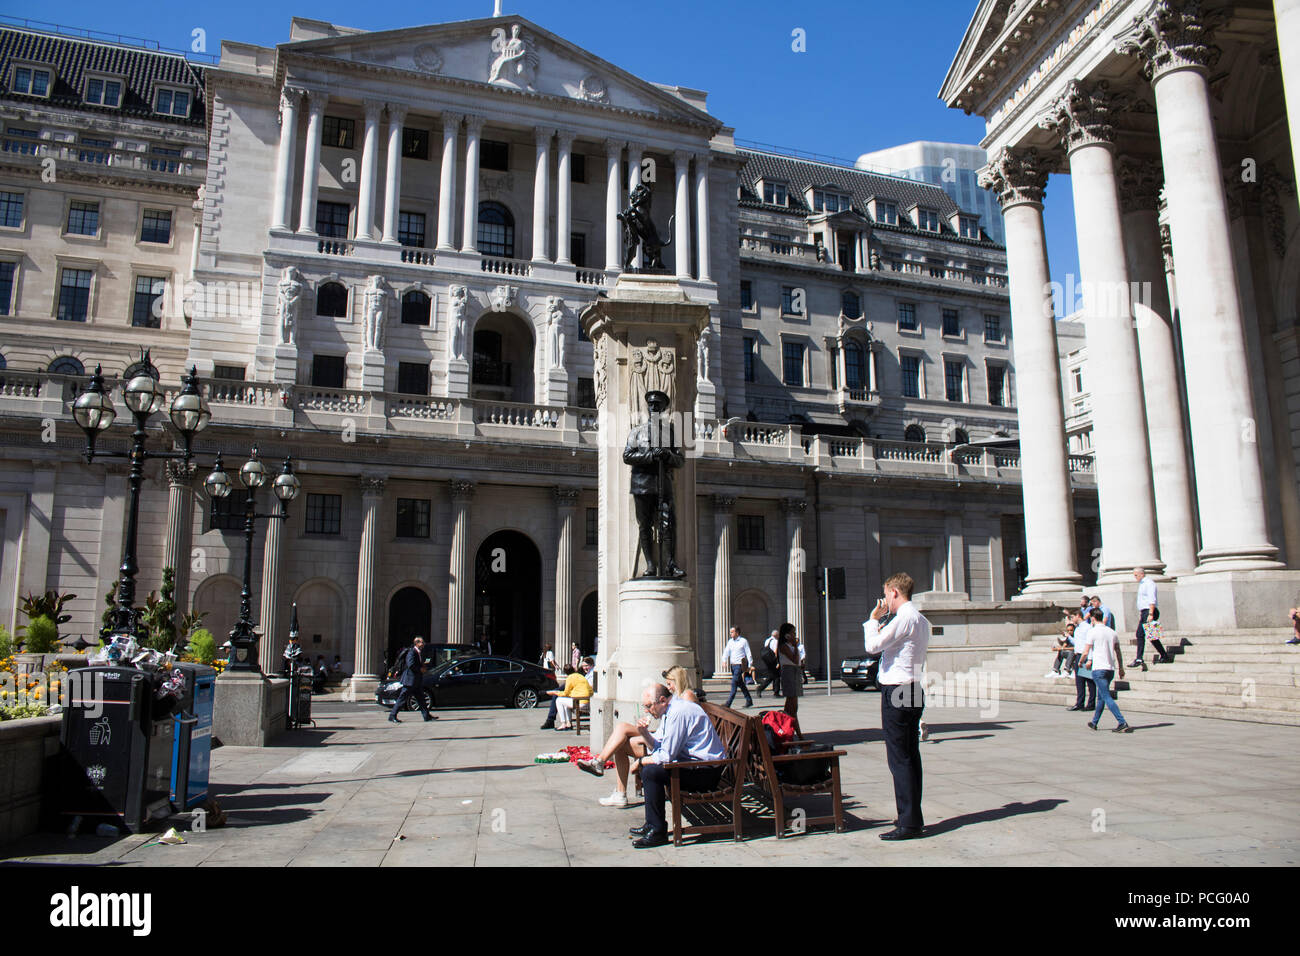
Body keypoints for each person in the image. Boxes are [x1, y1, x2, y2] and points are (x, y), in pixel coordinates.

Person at [581, 683, 725, 848]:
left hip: (706, 772)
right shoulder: (670, 711)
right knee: (651, 769)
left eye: (649, 706)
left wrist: (641, 761)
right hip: (695, 765)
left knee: (652, 771)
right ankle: (652, 824)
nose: (647, 710)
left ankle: (657, 831)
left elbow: (667, 756)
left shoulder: (678, 713)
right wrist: (644, 733)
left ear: (662, 700)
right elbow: (660, 746)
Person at [864, 572, 931, 840]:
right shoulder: (920, 619)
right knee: (910, 754)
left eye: (886, 594)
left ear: (893, 591)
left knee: (899, 757)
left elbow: (872, 646)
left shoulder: (904, 617)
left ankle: (909, 822)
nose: (885, 601)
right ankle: (911, 814)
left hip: (898, 690)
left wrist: (873, 620)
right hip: (913, 686)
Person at [1078, 607, 1131, 732]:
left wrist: (1081, 662)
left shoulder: (1092, 632)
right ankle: (1094, 722)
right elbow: (1118, 651)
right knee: (1101, 696)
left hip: (1099, 668)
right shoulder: (1112, 632)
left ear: (1093, 618)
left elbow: (1086, 651)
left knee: (1106, 696)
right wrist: (1121, 667)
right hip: (1110, 668)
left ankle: (1122, 721)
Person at [540, 656, 594, 729]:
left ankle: (562, 723)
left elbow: (589, 688)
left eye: (586, 666)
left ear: (592, 665)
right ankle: (568, 723)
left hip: (582, 699)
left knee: (558, 699)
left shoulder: (592, 674)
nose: (584, 668)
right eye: (583, 666)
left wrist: (556, 693)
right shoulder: (584, 674)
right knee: (560, 695)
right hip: (581, 697)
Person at [389, 637, 433, 723]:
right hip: (410, 680)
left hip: (416, 680)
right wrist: (420, 669)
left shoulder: (418, 652)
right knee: (402, 698)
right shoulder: (412, 652)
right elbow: (411, 664)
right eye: (422, 642)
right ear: (417, 643)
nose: (423, 644)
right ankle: (392, 715)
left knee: (421, 699)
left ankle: (426, 716)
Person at [1131, 568, 1167, 667]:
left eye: (1136, 575)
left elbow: (1152, 599)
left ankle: (1139, 658)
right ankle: (1163, 654)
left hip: (1149, 611)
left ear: (1141, 574)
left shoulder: (1149, 583)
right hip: (1145, 612)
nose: (1135, 577)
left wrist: (1150, 614)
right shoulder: (1142, 584)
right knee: (1151, 636)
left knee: (1140, 634)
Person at [1066, 609, 1097, 712]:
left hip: (1086, 655)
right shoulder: (1078, 628)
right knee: (1079, 681)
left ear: (1078, 616)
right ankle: (1080, 703)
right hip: (1078, 654)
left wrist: (1090, 658)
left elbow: (1090, 644)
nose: (1072, 620)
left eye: (1072, 617)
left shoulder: (1087, 627)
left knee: (1089, 680)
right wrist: (1069, 637)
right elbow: (1078, 642)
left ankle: (1091, 703)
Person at [550, 664, 592, 730]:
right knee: (565, 703)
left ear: (566, 672)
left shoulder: (570, 678)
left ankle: (563, 723)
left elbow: (566, 693)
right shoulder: (580, 676)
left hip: (580, 702)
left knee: (559, 700)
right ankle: (569, 724)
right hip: (587, 701)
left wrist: (556, 693)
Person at [722, 625, 754, 708]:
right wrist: (724, 660)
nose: (730, 634)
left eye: (732, 632)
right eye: (730, 632)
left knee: (734, 683)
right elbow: (726, 651)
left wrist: (750, 665)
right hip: (733, 665)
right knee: (740, 684)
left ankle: (728, 703)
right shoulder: (730, 642)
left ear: (737, 632)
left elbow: (748, 653)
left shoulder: (743, 641)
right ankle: (749, 700)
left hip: (740, 665)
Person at [777, 622, 802, 718]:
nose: (794, 635)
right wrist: (795, 645)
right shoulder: (784, 646)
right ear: (787, 635)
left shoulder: (789, 645)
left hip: (795, 671)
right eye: (793, 633)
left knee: (791, 704)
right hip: (789, 672)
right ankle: (793, 728)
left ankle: (786, 725)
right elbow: (794, 660)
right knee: (793, 704)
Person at [755, 629, 781, 698]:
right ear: (777, 635)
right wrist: (778, 662)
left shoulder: (767, 640)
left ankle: (775, 691)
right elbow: (775, 652)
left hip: (767, 660)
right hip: (773, 660)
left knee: (774, 676)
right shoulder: (776, 641)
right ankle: (761, 688)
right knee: (774, 676)